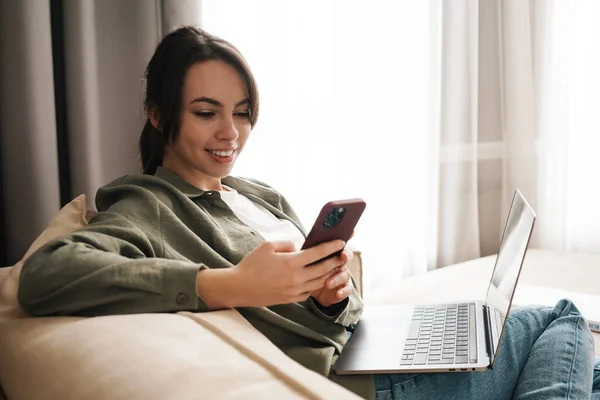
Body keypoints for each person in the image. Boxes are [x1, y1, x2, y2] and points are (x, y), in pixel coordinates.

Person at [18, 26, 599, 400]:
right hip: (368, 380)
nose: (231, 132)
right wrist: (227, 285)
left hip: (369, 344)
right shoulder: (147, 205)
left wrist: (331, 294)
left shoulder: (256, 192)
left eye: (242, 112)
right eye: (205, 112)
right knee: (562, 318)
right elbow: (47, 275)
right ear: (156, 113)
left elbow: (321, 314)